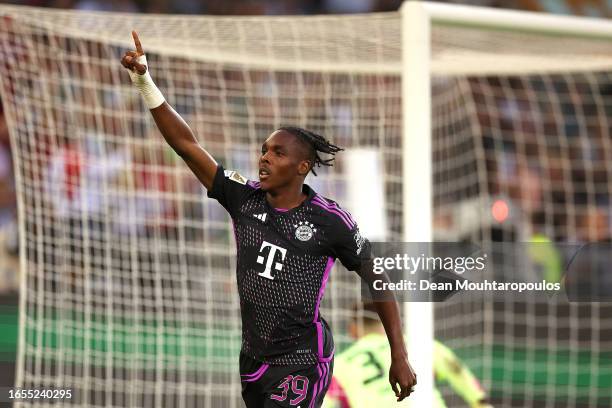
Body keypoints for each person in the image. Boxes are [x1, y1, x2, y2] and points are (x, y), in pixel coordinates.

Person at [121, 31, 416, 407]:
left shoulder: (329, 220)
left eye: (277, 153)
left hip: (303, 362)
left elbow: (375, 273)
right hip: (254, 360)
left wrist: (399, 354)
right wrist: (144, 81)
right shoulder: (243, 199)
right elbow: (187, 145)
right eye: (264, 150)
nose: (265, 157)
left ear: (302, 167)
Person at [325, 302, 492, 408]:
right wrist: (480, 402)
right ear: (393, 321)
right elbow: (456, 369)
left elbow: (324, 402)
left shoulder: (340, 365)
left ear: (352, 329)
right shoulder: (421, 344)